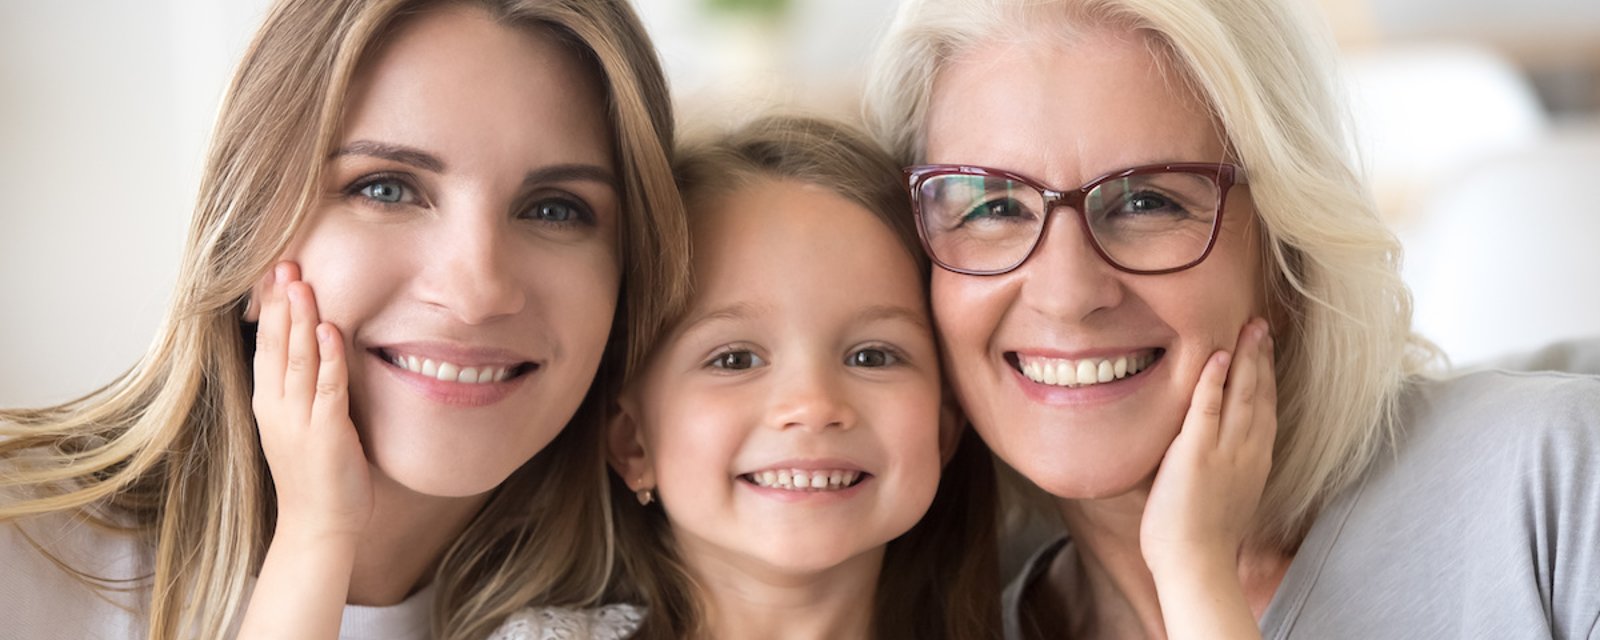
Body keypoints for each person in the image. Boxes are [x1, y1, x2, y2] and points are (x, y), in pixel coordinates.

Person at [865, 0, 1600, 638]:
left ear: (1287, 249)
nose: (1066, 292)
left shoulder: (1553, 486)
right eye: (994, 207)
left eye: (1149, 201)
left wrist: (1194, 576)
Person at [0, 1, 688, 638]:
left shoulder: (667, 605)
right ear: (247, 230)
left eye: (555, 208)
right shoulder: (20, 552)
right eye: (385, 188)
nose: (478, 292)